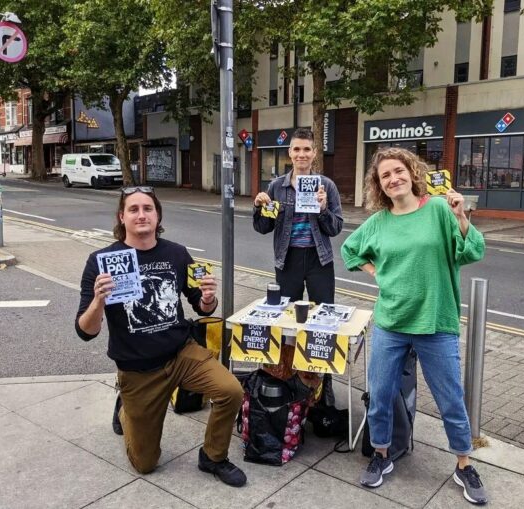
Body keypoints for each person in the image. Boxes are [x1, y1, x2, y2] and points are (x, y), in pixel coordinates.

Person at [341, 147, 488, 505]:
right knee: (380, 395)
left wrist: (462, 218)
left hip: (436, 322)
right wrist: (377, 273)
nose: (393, 179)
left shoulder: (439, 208)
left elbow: (472, 252)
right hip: (392, 322)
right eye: (385, 176)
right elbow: (349, 251)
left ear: (412, 172)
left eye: (398, 171)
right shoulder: (378, 222)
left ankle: (463, 464)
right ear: (379, 185)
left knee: (450, 399)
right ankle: (381, 455)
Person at [75, 186, 246, 487]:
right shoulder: (101, 261)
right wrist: (99, 300)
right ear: (122, 217)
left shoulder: (176, 253)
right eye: (133, 209)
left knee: (230, 390)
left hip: (181, 353)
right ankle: (126, 407)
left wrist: (207, 297)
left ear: (157, 215)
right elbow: (85, 331)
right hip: (138, 368)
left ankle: (213, 456)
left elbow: (203, 307)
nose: (141, 214)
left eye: (148, 208)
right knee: (145, 464)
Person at [252, 128, 343, 305]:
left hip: (319, 259)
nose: (302, 154)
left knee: (322, 311)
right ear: (290, 152)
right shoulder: (276, 187)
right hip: (287, 258)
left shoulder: (327, 185)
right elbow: (263, 228)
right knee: (286, 312)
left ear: (314, 153)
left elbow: (336, 228)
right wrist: (258, 206)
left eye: (307, 149)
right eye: (297, 149)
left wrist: (323, 209)